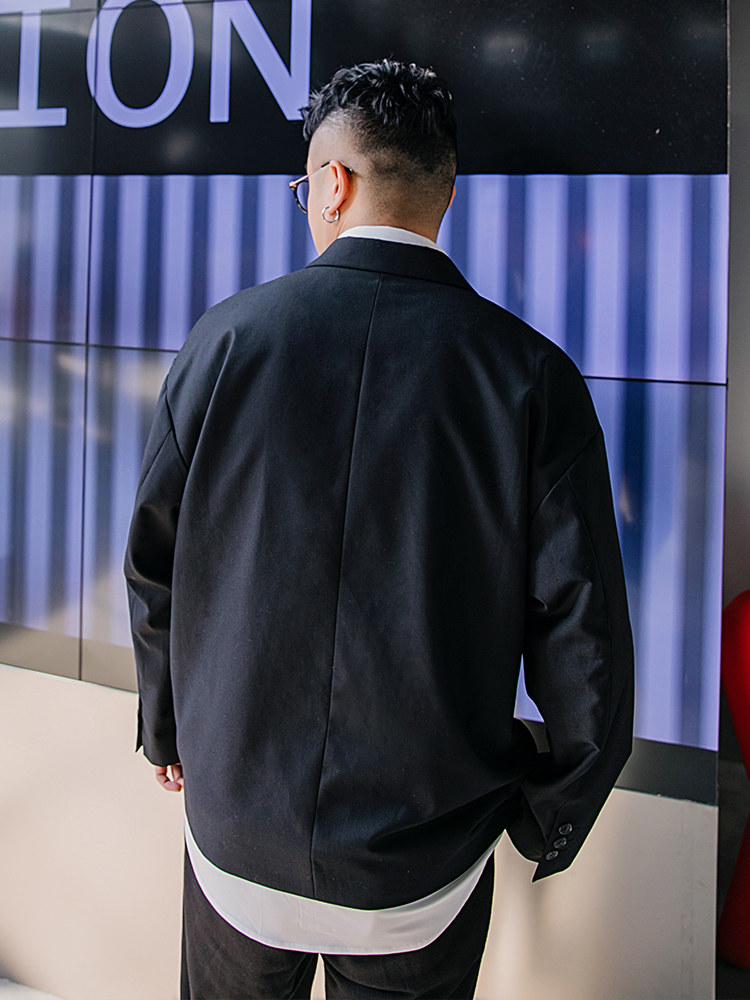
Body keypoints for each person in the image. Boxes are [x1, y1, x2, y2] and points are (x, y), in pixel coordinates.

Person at [125, 58, 634, 1000]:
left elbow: (154, 561)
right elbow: (586, 634)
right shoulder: (531, 377)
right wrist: (548, 812)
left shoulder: (224, 341)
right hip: (422, 864)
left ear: (332, 182)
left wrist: (167, 731)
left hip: (238, 835)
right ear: (447, 194)